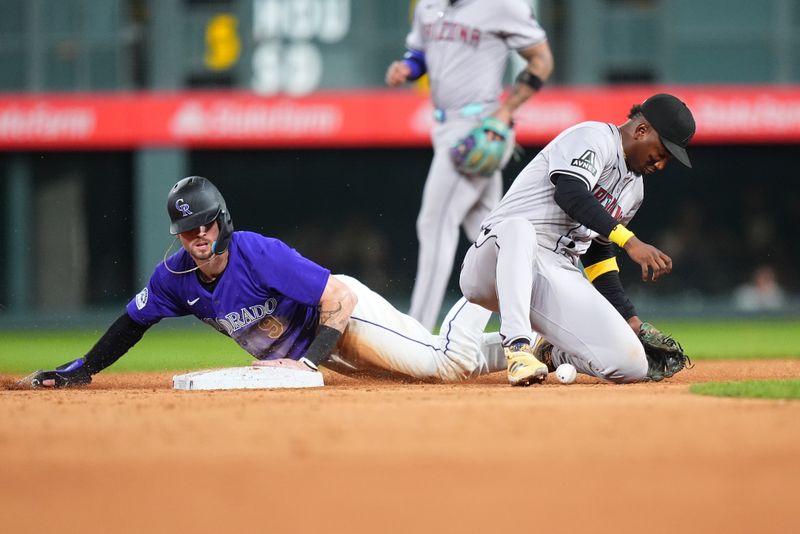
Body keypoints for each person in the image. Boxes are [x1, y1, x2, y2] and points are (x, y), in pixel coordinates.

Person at [28, 176, 509, 389]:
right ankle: (534, 350)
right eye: (187, 229)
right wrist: (86, 367)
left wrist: (308, 363)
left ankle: (488, 261)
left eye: (205, 224)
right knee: (425, 371)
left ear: (222, 220)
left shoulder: (256, 252)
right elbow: (131, 323)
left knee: (442, 366)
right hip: (320, 352)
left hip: (346, 320)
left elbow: (336, 298)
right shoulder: (173, 277)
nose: (197, 235)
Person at [459, 93, 696, 386]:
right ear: (642, 130)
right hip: (495, 262)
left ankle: (549, 353)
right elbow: (570, 192)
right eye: (661, 152)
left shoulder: (635, 191)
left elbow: (598, 251)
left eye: (667, 160)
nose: (660, 164)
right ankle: (517, 349)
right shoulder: (593, 137)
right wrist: (631, 241)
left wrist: (629, 318)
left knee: (632, 364)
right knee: (519, 228)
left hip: (555, 271)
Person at [385, 0, 554, 330]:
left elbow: (542, 59)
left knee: (434, 223)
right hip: (446, 126)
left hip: (481, 126)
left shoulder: (502, 5)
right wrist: (408, 68)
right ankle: (545, 323)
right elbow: (420, 53)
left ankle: (413, 332)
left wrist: (506, 112)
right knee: (492, 234)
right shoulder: (427, 5)